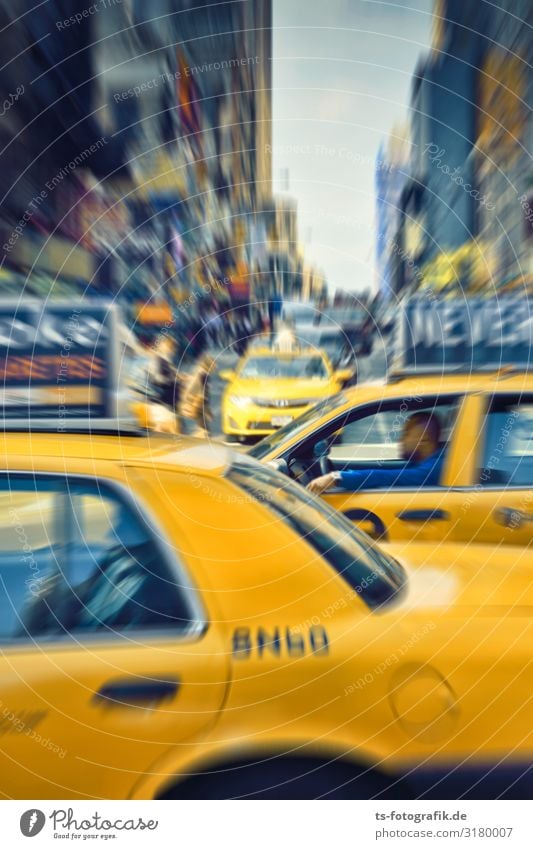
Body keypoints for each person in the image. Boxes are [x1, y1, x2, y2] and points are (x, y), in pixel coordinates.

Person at [307, 411, 445, 496]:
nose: (400, 440)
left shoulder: (433, 469)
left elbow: (388, 477)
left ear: (425, 440)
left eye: (406, 434)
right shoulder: (428, 463)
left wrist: (335, 477)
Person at [179, 354, 215, 436]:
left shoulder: (200, 373)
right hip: (197, 404)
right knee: (204, 429)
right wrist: (206, 408)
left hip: (196, 403)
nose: (215, 366)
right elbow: (202, 393)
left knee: (203, 427)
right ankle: (196, 441)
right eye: (213, 364)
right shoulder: (203, 375)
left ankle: (200, 440)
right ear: (208, 365)